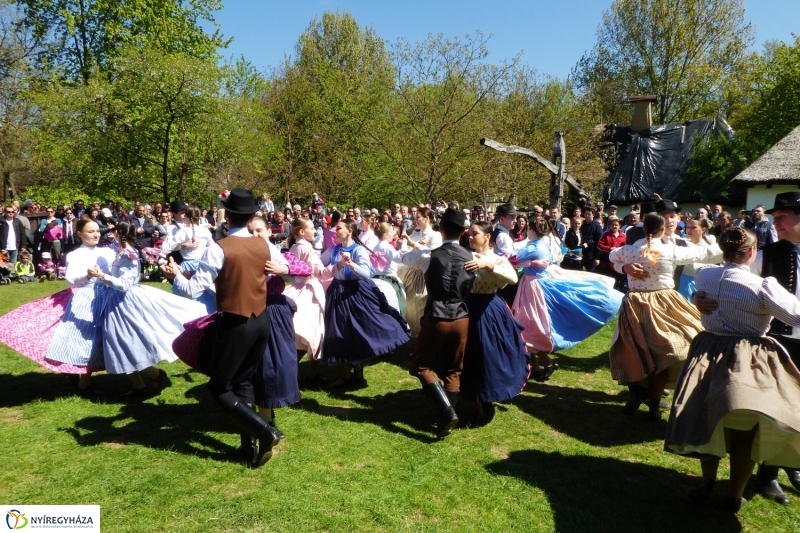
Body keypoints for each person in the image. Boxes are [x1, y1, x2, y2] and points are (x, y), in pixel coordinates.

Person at [666, 227, 800, 513]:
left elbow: (703, 288)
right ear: (752, 252)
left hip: (707, 352)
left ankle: (708, 483)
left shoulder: (705, 275)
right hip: (747, 357)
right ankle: (734, 493)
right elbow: (795, 316)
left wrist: (699, 300)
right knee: (745, 428)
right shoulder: (763, 286)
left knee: (708, 417)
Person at [694, 191, 800, 505]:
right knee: (765, 412)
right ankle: (765, 476)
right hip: (771, 343)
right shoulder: (766, 255)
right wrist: (698, 300)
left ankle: (784, 467)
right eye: (774, 216)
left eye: (782, 216)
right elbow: (734, 287)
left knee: (794, 409)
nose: (775, 221)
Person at [163, 188, 281, 468]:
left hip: (235, 323)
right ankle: (249, 445)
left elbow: (192, 290)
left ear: (227, 215)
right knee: (244, 381)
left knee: (220, 387)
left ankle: (264, 432)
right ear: (252, 216)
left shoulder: (219, 247)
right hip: (262, 320)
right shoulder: (264, 243)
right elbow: (284, 264)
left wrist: (176, 275)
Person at [609, 213, 720, 419]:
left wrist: (624, 267)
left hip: (635, 302)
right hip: (662, 301)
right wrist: (728, 248)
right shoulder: (670, 250)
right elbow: (702, 254)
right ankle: (652, 403)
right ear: (663, 230)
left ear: (644, 228)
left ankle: (637, 398)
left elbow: (612, 256)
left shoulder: (630, 250)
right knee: (662, 352)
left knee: (634, 351)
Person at [95, 221, 207, 396]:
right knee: (120, 342)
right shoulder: (122, 253)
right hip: (116, 302)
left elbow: (125, 284)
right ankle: (142, 382)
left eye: (114, 231)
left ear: (119, 233)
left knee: (126, 341)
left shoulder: (129, 255)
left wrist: (102, 276)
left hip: (126, 302)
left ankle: (150, 377)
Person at [511, 218, 623, 381]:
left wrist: (529, 262)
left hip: (533, 287)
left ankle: (543, 364)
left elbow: (512, 260)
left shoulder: (534, 247)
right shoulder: (544, 244)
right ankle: (538, 367)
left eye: (529, 229)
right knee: (526, 328)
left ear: (532, 231)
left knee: (527, 328)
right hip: (535, 285)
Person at [402, 208, 473, 437]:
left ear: (440, 229)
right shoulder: (473, 258)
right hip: (462, 317)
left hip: (437, 316)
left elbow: (403, 258)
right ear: (463, 232)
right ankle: (446, 416)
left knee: (419, 366)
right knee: (454, 370)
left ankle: (446, 412)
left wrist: (410, 245)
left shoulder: (428, 256)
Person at [319, 219, 410, 388]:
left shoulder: (358, 250)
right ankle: (344, 376)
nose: (335, 231)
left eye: (339, 228)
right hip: (337, 293)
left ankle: (358, 373)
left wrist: (351, 264)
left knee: (356, 332)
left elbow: (366, 274)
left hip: (355, 293)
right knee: (337, 332)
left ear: (349, 231)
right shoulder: (333, 250)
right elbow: (319, 266)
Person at [460, 220, 529, 427]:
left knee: (488, 355)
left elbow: (511, 278)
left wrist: (487, 264)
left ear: (487, 236)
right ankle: (476, 405)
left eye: (474, 234)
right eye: (469, 234)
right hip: (467, 307)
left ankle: (488, 394)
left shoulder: (497, 259)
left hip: (489, 309)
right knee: (468, 355)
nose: (470, 238)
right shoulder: (466, 255)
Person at [283, 217, 332, 386]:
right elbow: (320, 273)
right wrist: (338, 266)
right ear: (301, 232)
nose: (315, 231)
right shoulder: (306, 248)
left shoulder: (296, 247)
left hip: (298, 288)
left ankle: (302, 374)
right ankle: (304, 374)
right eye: (312, 228)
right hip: (309, 292)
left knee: (301, 334)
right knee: (314, 333)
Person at [397, 207, 442, 335]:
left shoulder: (435, 235)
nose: (415, 220)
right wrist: (404, 245)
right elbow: (408, 253)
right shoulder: (415, 233)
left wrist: (415, 245)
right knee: (411, 306)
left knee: (421, 303)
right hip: (411, 273)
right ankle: (415, 336)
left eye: (418, 217)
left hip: (424, 274)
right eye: (414, 218)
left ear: (426, 218)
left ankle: (424, 335)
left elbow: (434, 254)